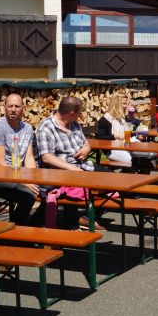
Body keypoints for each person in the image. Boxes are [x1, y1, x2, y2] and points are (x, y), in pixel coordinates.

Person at [35, 96, 103, 230]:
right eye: (79, 113)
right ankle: (73, 224)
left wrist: (86, 149)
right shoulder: (46, 127)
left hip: (81, 165)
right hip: (56, 172)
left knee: (112, 181)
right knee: (76, 184)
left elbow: (85, 143)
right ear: (71, 113)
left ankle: (86, 217)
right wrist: (71, 168)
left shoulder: (74, 124)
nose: (80, 116)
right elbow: (47, 157)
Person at [0, 92, 40, 225]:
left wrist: (33, 179)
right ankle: (15, 229)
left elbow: (29, 158)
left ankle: (37, 224)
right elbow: (0, 164)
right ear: (4, 107)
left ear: (23, 108)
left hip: (18, 176)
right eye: (10, 106)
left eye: (17, 106)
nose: (13, 109)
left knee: (46, 189)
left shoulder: (28, 128)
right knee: (28, 196)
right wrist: (24, 182)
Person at [96, 93, 132, 163]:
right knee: (132, 161)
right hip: (112, 150)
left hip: (126, 146)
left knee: (142, 157)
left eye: (126, 104)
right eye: (124, 104)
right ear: (116, 104)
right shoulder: (105, 119)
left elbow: (128, 134)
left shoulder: (124, 118)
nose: (126, 106)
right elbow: (100, 138)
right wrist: (115, 136)